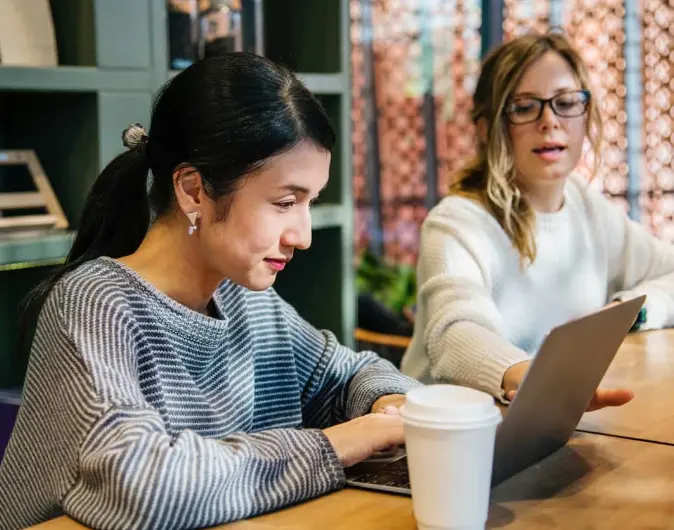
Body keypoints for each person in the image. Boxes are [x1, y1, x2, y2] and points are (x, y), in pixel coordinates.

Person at [0, 53, 420, 530]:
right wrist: (336, 445)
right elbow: (141, 487)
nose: (302, 235)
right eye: (285, 202)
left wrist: (386, 403)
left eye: (310, 202)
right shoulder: (96, 303)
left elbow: (349, 374)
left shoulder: (245, 297)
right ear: (193, 190)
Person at [400, 31, 674, 406]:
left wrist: (634, 311)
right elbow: (455, 335)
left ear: (585, 114)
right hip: (458, 440)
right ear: (487, 127)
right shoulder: (455, 223)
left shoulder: (586, 207)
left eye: (565, 102)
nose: (549, 121)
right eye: (525, 107)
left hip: (556, 422)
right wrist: (532, 380)